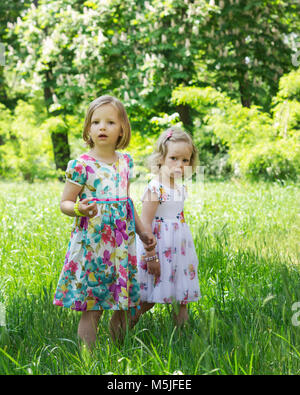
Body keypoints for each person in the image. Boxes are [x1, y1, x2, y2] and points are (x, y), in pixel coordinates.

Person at [53, 95, 156, 347]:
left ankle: (119, 352)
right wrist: (78, 208)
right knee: (93, 306)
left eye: (110, 122)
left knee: (121, 304)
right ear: (88, 128)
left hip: (121, 247)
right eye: (96, 122)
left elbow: (127, 202)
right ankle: (87, 361)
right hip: (93, 247)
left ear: (122, 129)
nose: (102, 127)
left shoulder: (125, 162)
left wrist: (143, 232)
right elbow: (65, 203)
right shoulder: (82, 165)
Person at [135, 126, 200, 326]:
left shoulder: (180, 188)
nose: (179, 165)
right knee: (146, 300)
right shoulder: (155, 188)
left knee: (182, 298)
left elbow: (179, 217)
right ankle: (120, 334)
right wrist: (151, 255)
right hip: (157, 249)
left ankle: (183, 341)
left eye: (185, 160)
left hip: (178, 249)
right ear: (161, 158)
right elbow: (145, 225)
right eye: (173, 158)